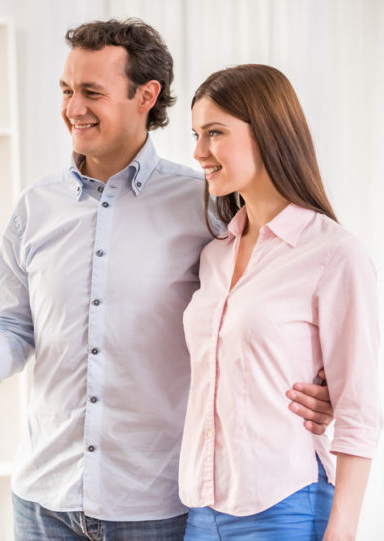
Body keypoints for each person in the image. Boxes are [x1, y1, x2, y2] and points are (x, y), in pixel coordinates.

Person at [0, 19, 334, 541]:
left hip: (156, 504)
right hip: (43, 502)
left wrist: (318, 387)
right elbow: (11, 327)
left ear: (146, 95)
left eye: (92, 92)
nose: (74, 108)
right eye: (67, 91)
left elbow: (270, 301)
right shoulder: (36, 206)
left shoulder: (207, 205)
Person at [181, 64, 381, 540]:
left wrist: (343, 532)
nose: (198, 152)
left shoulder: (332, 253)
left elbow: (359, 408)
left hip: (284, 508)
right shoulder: (213, 256)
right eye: (196, 134)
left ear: (267, 133)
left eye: (214, 133)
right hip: (201, 508)